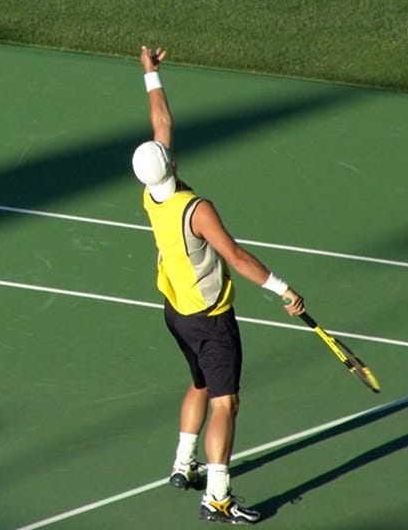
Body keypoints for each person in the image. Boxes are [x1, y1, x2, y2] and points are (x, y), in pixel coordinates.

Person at [133, 45, 305, 525]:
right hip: (210, 318)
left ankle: (181, 464)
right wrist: (283, 289)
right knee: (224, 402)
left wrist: (151, 75)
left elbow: (161, 124)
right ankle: (218, 495)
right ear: (169, 164)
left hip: (176, 311)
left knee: (199, 382)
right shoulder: (196, 208)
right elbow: (235, 256)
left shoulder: (152, 196)